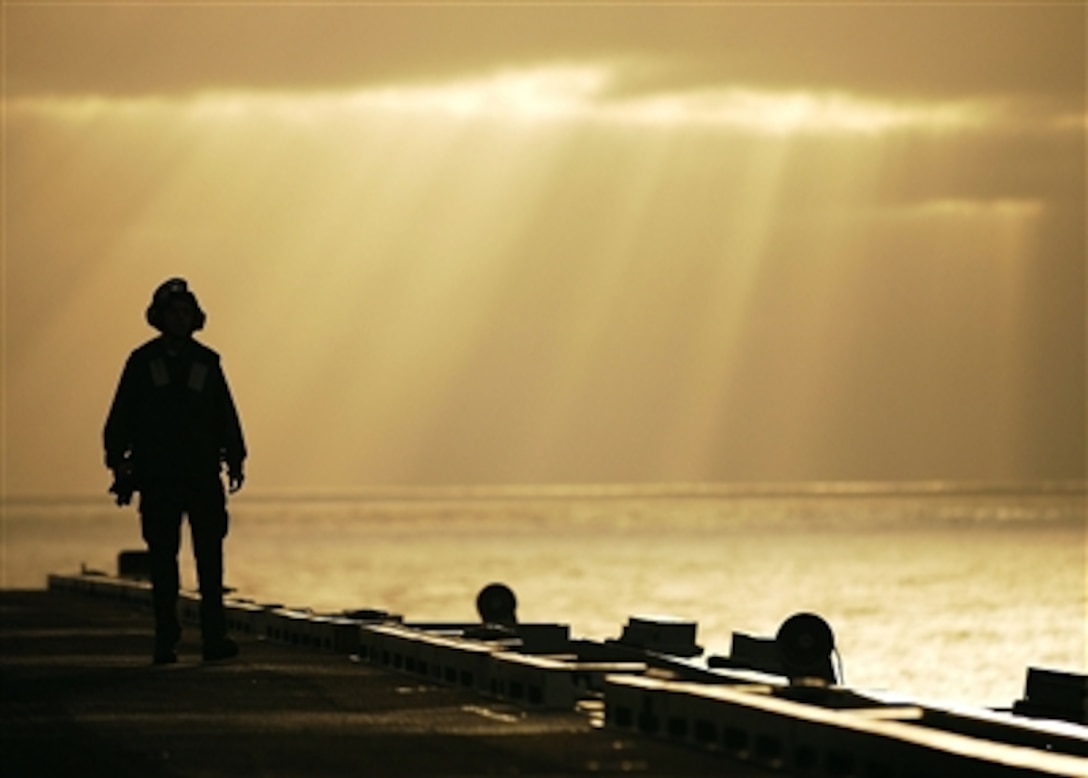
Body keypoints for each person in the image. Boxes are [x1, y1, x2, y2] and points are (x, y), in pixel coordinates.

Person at [104, 278, 247, 664]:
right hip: (159, 477)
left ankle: (214, 639)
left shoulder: (207, 363)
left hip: (202, 476)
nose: (180, 319)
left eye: (186, 313)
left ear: (194, 318)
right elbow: (121, 417)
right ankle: (166, 639)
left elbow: (225, 415)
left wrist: (236, 457)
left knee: (210, 561)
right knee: (163, 562)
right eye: (173, 312)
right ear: (160, 317)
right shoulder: (141, 362)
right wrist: (118, 461)